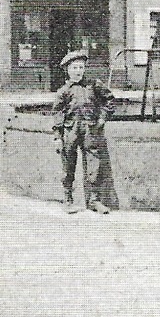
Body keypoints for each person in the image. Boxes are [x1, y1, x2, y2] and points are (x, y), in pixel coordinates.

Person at [51, 49, 115, 214]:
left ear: (85, 69)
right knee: (68, 165)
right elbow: (57, 114)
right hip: (70, 130)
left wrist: (101, 119)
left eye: (80, 67)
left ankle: (94, 201)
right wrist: (57, 137)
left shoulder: (93, 85)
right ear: (67, 70)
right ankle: (68, 200)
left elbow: (109, 100)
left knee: (94, 164)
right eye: (74, 68)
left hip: (90, 129)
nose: (78, 71)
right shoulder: (63, 91)